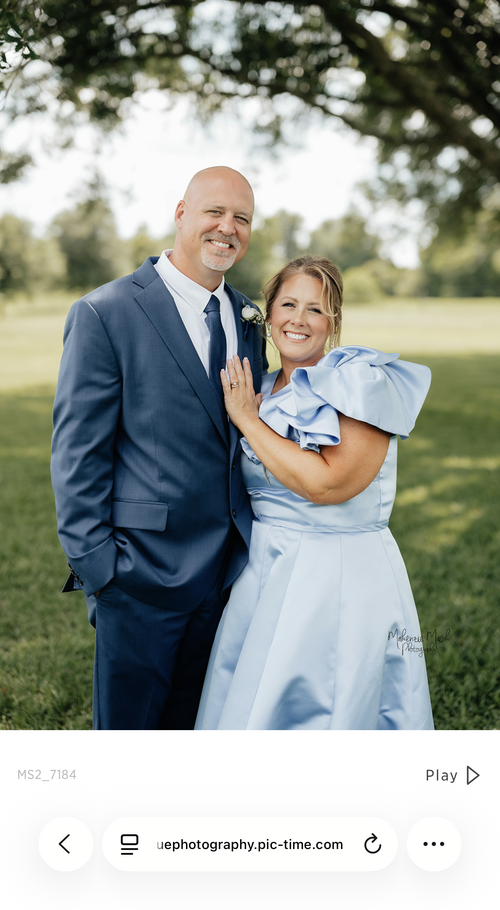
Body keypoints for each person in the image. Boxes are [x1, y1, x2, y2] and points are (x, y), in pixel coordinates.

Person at [51, 166, 267, 730]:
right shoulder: (106, 312)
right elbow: (77, 457)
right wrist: (102, 572)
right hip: (139, 578)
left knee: (195, 737)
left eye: (242, 218)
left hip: (227, 578)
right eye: (214, 212)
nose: (227, 228)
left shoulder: (248, 318)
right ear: (181, 214)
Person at [195, 254, 434, 730]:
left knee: (329, 707)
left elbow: (330, 484)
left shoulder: (358, 381)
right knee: (251, 702)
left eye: (316, 309)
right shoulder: (259, 389)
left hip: (337, 575)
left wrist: (247, 420)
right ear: (268, 314)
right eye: (288, 304)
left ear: (333, 321)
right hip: (262, 570)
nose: (298, 320)